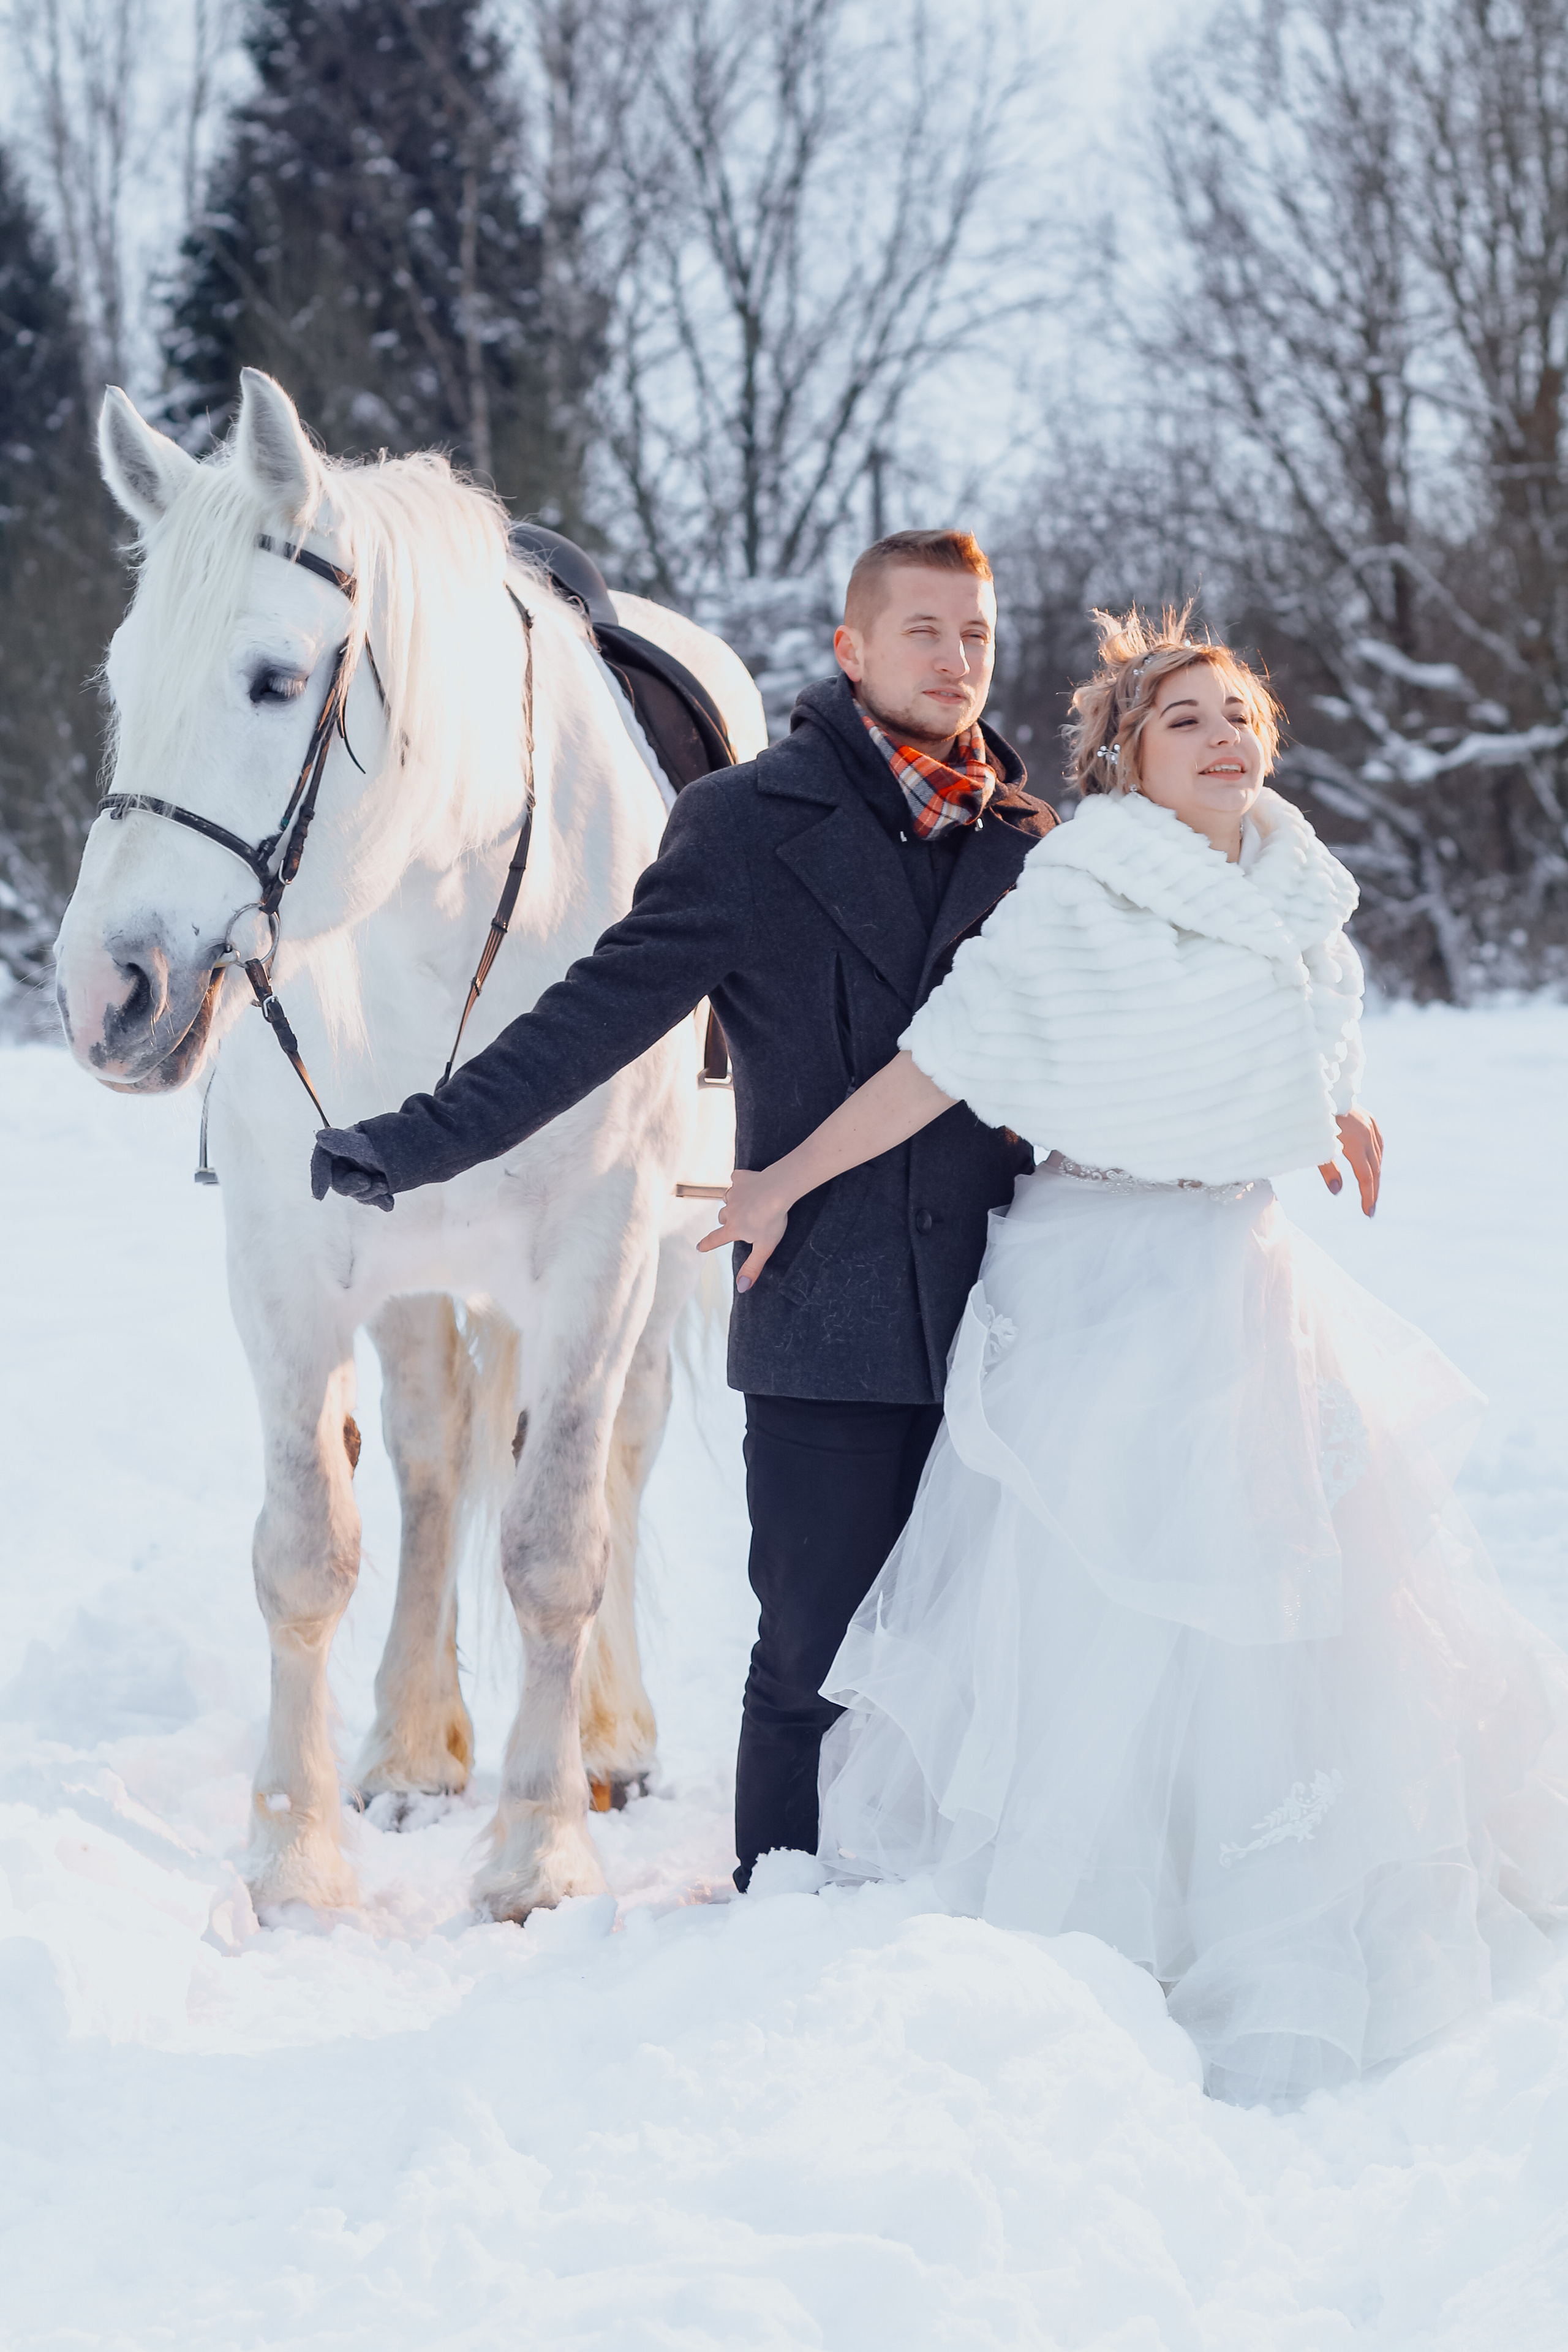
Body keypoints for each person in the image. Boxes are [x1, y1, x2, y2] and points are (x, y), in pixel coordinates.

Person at [703, 607, 1568, 2101]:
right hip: (1095, 1268)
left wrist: (1337, 1103)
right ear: (1122, 757)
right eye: (1184, 721)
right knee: (1095, 1612)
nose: (1226, 737)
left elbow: (1309, 1034)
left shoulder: (1296, 891)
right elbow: (941, 1063)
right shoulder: (1078, 892)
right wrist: (779, 1179)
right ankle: (1080, 1924)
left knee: (1273, 1623)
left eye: (1240, 712)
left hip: (1238, 1270)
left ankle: (1239, 1898)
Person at [311, 528, 1056, 1887]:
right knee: (807, 1661)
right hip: (828, 1322)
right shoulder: (744, 826)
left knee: (989, 1658)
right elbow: (593, 1017)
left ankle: (955, 1917)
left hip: (1011, 1321)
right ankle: (776, 1920)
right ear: (851, 650)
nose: (956, 663)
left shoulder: (1027, 844)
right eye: (924, 634)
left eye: (977, 638)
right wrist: (416, 1143)